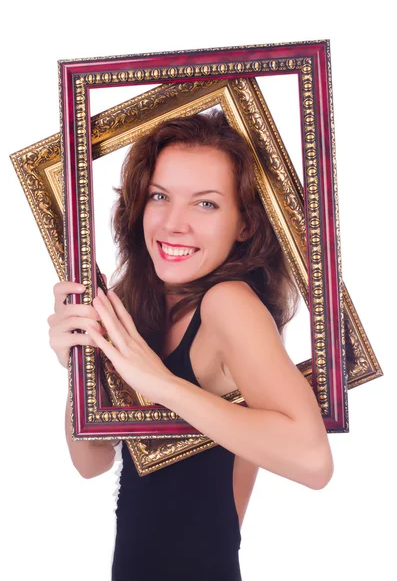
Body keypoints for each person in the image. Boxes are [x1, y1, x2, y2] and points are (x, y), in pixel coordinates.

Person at [48, 109, 334, 580]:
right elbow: (91, 461)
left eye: (205, 204)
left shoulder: (229, 303)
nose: (173, 223)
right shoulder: (133, 305)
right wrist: (81, 364)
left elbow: (313, 461)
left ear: (245, 223)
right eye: (160, 196)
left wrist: (161, 385)